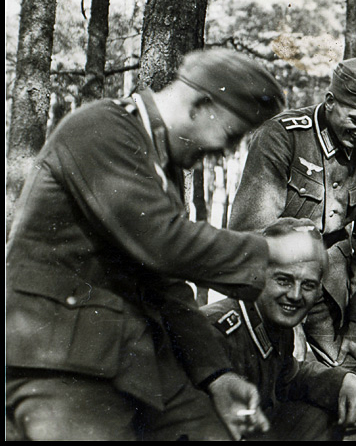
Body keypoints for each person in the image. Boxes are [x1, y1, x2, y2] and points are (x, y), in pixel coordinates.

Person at [6, 48, 285, 440]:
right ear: (201, 104)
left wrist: (217, 376)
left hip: (127, 361)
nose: (225, 151)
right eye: (231, 135)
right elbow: (165, 244)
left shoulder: (154, 162)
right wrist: (274, 251)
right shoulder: (102, 128)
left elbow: (165, 286)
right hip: (55, 360)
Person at [228, 57, 356, 438]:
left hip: (329, 287)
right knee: (269, 392)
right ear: (330, 102)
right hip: (271, 284)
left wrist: (355, 326)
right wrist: (285, 323)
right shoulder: (282, 135)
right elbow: (251, 234)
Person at [203, 217, 356, 441]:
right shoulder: (218, 330)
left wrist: (344, 380)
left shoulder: (273, 322)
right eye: (284, 280)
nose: (295, 295)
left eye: (309, 285)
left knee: (317, 417)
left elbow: (289, 375)